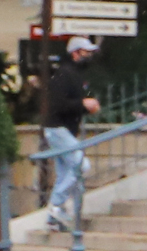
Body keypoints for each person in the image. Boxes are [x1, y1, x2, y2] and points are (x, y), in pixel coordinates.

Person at [42, 37, 102, 233]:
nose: (89, 55)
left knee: (64, 174)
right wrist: (83, 104)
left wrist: (86, 107)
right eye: (86, 51)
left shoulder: (74, 75)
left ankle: (53, 218)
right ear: (75, 53)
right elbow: (58, 105)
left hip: (63, 129)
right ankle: (56, 205)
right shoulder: (63, 75)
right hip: (57, 128)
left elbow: (71, 105)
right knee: (81, 165)